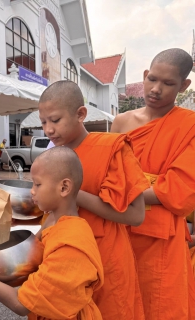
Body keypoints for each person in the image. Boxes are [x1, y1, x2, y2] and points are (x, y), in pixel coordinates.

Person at [39, 80, 149, 319]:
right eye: (43, 122)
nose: (48, 129)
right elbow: (53, 213)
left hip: (105, 259)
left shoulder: (111, 148)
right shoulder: (53, 159)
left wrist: (75, 195)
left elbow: (137, 215)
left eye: (55, 120)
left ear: (81, 114)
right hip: (64, 259)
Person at [0, 147, 104, 320]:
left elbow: (20, 304)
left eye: (37, 184)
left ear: (64, 187)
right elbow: (31, 249)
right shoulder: (53, 219)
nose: (32, 191)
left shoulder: (71, 246)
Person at [111, 48, 195, 320]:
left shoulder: (190, 125)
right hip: (119, 227)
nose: (156, 89)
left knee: (159, 307)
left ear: (184, 85)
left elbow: (179, 188)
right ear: (145, 75)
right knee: (119, 303)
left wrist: (124, 191)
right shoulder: (121, 122)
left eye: (168, 83)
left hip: (161, 240)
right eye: (153, 79)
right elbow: (108, 173)